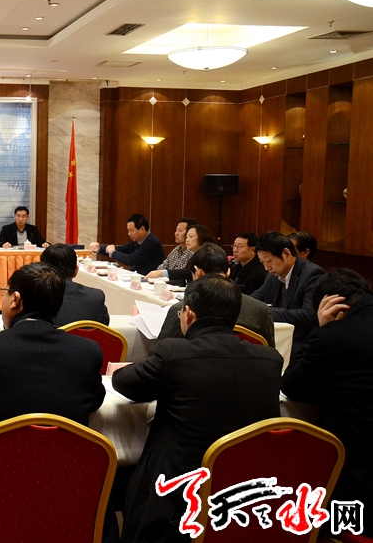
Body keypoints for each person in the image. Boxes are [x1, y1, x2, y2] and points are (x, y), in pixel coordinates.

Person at [0, 262, 106, 543]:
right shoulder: (87, 351)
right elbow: (95, 401)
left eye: (5, 293)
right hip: (69, 494)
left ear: (15, 300)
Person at [112, 274, 283, 543]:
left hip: (176, 495)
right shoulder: (270, 360)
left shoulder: (175, 354)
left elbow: (124, 383)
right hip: (245, 490)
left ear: (189, 313)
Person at [282, 268, 373, 531]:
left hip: (358, 485)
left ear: (332, 306)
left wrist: (319, 328)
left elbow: (292, 386)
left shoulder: (335, 335)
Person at [157, 243, 275, 346]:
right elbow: (267, 350)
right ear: (228, 272)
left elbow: (161, 352)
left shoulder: (183, 310)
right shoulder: (261, 309)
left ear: (198, 273)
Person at [250, 231, 324, 360]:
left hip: (302, 343)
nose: (266, 267)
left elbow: (309, 315)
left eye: (269, 261)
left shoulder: (312, 274)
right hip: (277, 339)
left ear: (286, 254)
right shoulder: (272, 276)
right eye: (262, 262)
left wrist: (266, 312)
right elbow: (253, 299)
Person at [40, 243, 110, 326]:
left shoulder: (34, 296)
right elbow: (104, 328)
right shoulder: (96, 297)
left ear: (42, 270)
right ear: (76, 271)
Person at [89, 213, 165, 276]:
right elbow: (122, 249)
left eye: (131, 230)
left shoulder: (152, 243)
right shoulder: (137, 241)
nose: (129, 234)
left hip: (149, 281)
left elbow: (130, 260)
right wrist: (98, 248)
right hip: (137, 278)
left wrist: (112, 252)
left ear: (142, 229)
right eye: (128, 231)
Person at [146, 224, 216, 285]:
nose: (187, 240)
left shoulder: (209, 254)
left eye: (191, 236)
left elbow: (188, 272)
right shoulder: (194, 255)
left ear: (202, 237)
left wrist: (163, 273)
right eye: (186, 237)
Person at [144, 217, 196, 286]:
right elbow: (163, 266)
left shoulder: (192, 252)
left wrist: (162, 274)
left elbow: (181, 276)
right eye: (176, 230)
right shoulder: (176, 249)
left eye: (180, 231)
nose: (176, 233)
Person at [228, 231, 267, 295]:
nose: (235, 250)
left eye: (239, 247)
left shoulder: (260, 272)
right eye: (234, 246)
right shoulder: (234, 266)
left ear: (252, 250)